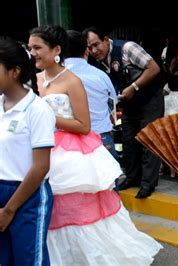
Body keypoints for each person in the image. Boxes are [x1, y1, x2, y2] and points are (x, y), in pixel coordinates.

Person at [28, 25, 162, 264]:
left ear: (56, 49)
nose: (33, 53)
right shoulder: (36, 79)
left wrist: (47, 118)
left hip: (70, 153)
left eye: (37, 47)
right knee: (51, 215)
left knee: (77, 212)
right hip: (43, 148)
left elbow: (83, 125)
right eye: (31, 48)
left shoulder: (72, 80)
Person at [84, 26, 164, 198]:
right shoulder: (97, 63)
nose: (94, 50)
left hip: (149, 100)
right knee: (128, 141)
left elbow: (154, 68)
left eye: (96, 44)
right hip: (127, 104)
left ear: (106, 39)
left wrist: (134, 87)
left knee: (150, 141)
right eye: (89, 48)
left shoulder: (127, 48)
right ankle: (132, 177)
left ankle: (148, 184)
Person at [0, 39, 55, 266]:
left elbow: (41, 166)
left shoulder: (37, 109)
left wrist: (9, 209)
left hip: (28, 195)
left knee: (28, 259)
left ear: (15, 72)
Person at [64, 30, 118, 159]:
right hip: (101, 138)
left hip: (67, 143)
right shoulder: (101, 75)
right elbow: (113, 103)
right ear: (86, 51)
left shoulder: (53, 78)